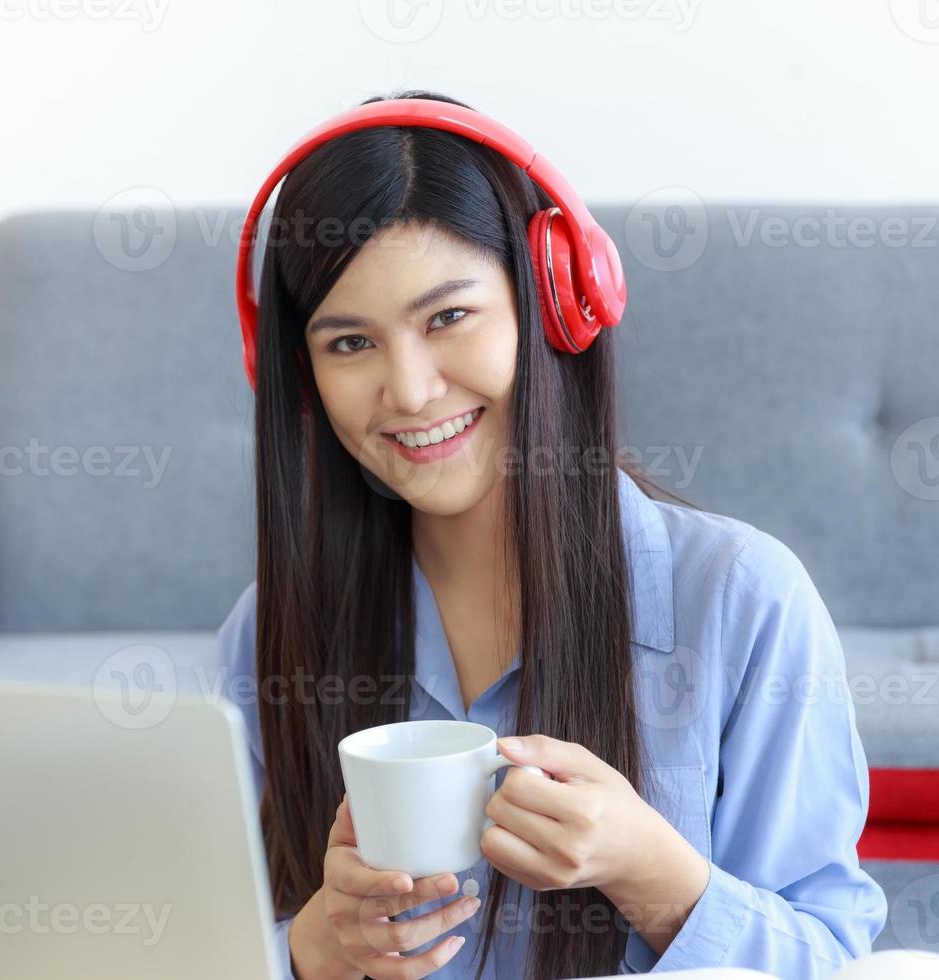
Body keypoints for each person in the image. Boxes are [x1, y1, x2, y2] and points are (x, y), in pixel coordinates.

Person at [216, 89, 888, 979]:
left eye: (447, 317)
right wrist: (312, 951)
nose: (410, 390)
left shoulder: (742, 599)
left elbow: (835, 961)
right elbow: (211, 938)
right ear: (299, 376)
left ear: (556, 305)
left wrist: (654, 875)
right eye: (349, 343)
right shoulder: (270, 631)